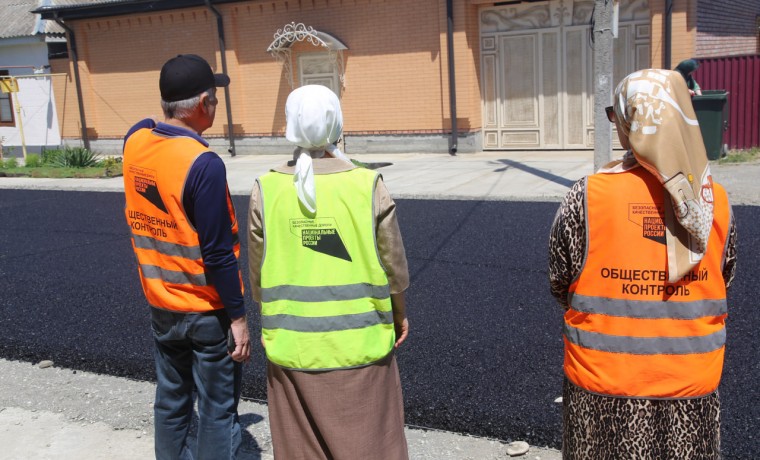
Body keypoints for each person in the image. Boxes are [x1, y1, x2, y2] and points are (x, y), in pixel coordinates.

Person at [549, 69, 737, 459]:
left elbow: (559, 281)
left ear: (630, 121)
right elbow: (725, 278)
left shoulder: (586, 198)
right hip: (692, 389)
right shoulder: (715, 201)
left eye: (614, 115)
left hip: (602, 390)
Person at [247, 84, 410, 460]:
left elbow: (258, 280)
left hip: (292, 352)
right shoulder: (366, 185)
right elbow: (394, 267)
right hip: (361, 349)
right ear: (337, 124)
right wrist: (399, 313)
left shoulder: (266, 189)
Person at [122, 54, 251, 460]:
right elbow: (217, 253)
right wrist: (238, 317)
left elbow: (145, 122)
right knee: (216, 410)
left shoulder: (135, 142)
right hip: (204, 312)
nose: (216, 106)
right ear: (202, 103)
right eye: (213, 98)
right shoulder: (203, 164)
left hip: (161, 306)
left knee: (171, 398)